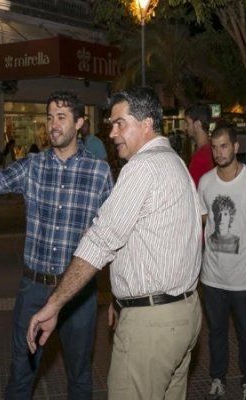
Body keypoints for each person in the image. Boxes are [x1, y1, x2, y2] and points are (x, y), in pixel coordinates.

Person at [27, 87, 203, 400]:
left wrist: (53, 304)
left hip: (152, 328)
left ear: (146, 123)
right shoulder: (175, 163)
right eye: (111, 124)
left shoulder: (141, 167)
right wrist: (123, 299)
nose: (112, 133)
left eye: (120, 123)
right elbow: (180, 228)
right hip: (183, 315)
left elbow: (101, 241)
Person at [0, 90, 113, 400]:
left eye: (61, 118)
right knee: (21, 375)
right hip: (33, 288)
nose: (53, 124)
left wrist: (117, 295)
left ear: (80, 123)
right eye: (49, 117)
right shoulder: (33, 165)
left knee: (79, 377)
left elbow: (113, 236)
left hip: (78, 294)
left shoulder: (99, 173)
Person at [198, 123, 246, 400]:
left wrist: (244, 234)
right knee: (216, 332)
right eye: (215, 147)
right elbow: (203, 216)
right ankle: (217, 378)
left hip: (244, 277)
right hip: (212, 276)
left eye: (224, 146)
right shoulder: (205, 182)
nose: (219, 152)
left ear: (236, 147)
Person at [185, 103, 214, 187]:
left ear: (197, 124)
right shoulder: (211, 149)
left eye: (188, 123)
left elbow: (194, 190)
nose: (186, 127)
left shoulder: (200, 157)